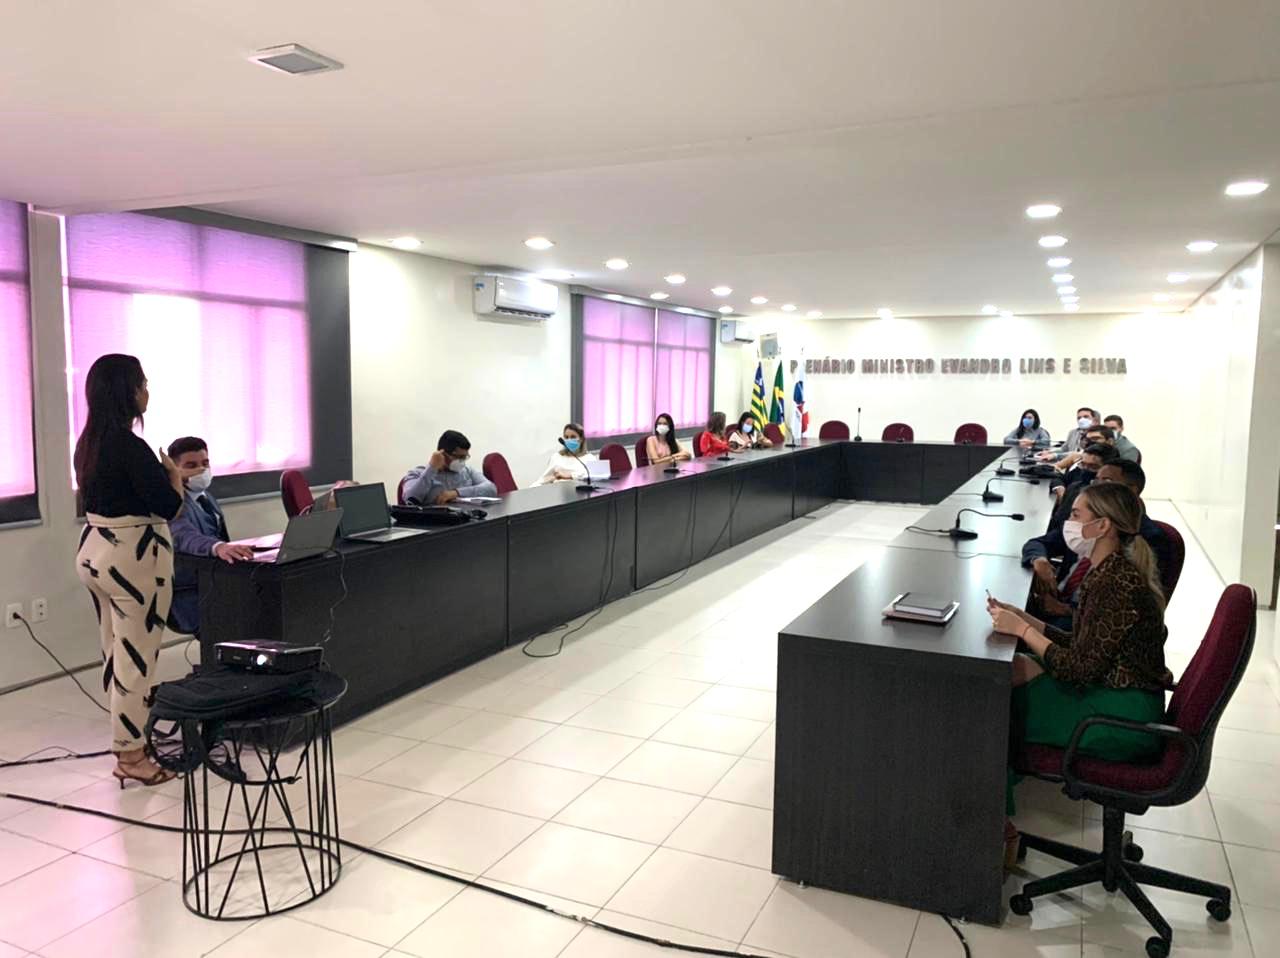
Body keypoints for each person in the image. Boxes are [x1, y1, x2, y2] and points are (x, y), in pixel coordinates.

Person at [991, 482, 1171, 864]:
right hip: (1118, 694)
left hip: (1122, 716)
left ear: (1103, 526)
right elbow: (1085, 644)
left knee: (993, 704)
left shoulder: (1114, 583)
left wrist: (1023, 631)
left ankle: (996, 829)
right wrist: (1028, 621)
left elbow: (1078, 670)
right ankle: (997, 819)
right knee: (1016, 670)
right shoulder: (1108, 571)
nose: (1069, 523)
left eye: (1076, 515)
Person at [73, 354, 184, 787]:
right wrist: (174, 477)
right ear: (129, 392)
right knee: (137, 658)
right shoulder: (130, 446)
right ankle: (132, 754)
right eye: (143, 384)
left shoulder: (88, 444)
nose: (146, 392)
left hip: (96, 552)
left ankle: (127, 741)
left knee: (115, 653)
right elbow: (168, 506)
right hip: (133, 560)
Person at [1024, 459, 1169, 630]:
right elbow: (1038, 543)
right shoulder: (1086, 520)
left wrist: (1065, 610)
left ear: (1131, 490)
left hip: (1080, 622)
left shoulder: (1147, 541)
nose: (1097, 486)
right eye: (1096, 479)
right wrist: (1038, 560)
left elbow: (1120, 613)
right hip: (1056, 603)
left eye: (1106, 481)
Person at [166, 436, 255, 635]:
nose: (201, 470)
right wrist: (218, 547)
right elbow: (184, 536)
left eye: (205, 463)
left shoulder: (206, 497)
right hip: (192, 591)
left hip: (218, 581)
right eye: (191, 465)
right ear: (175, 469)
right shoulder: (173, 504)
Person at [402, 430, 498, 504]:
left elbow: (491, 489)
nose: (462, 461)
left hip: (466, 520)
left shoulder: (467, 471)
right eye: (459, 457)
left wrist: (456, 493)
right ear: (442, 454)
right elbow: (410, 499)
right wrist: (432, 468)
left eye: (465, 457)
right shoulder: (417, 473)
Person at [532, 422, 597, 485]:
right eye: (566, 437)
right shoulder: (556, 457)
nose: (569, 440)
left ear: (581, 439)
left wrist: (570, 475)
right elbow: (544, 479)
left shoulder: (590, 458)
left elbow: (595, 477)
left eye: (573, 437)